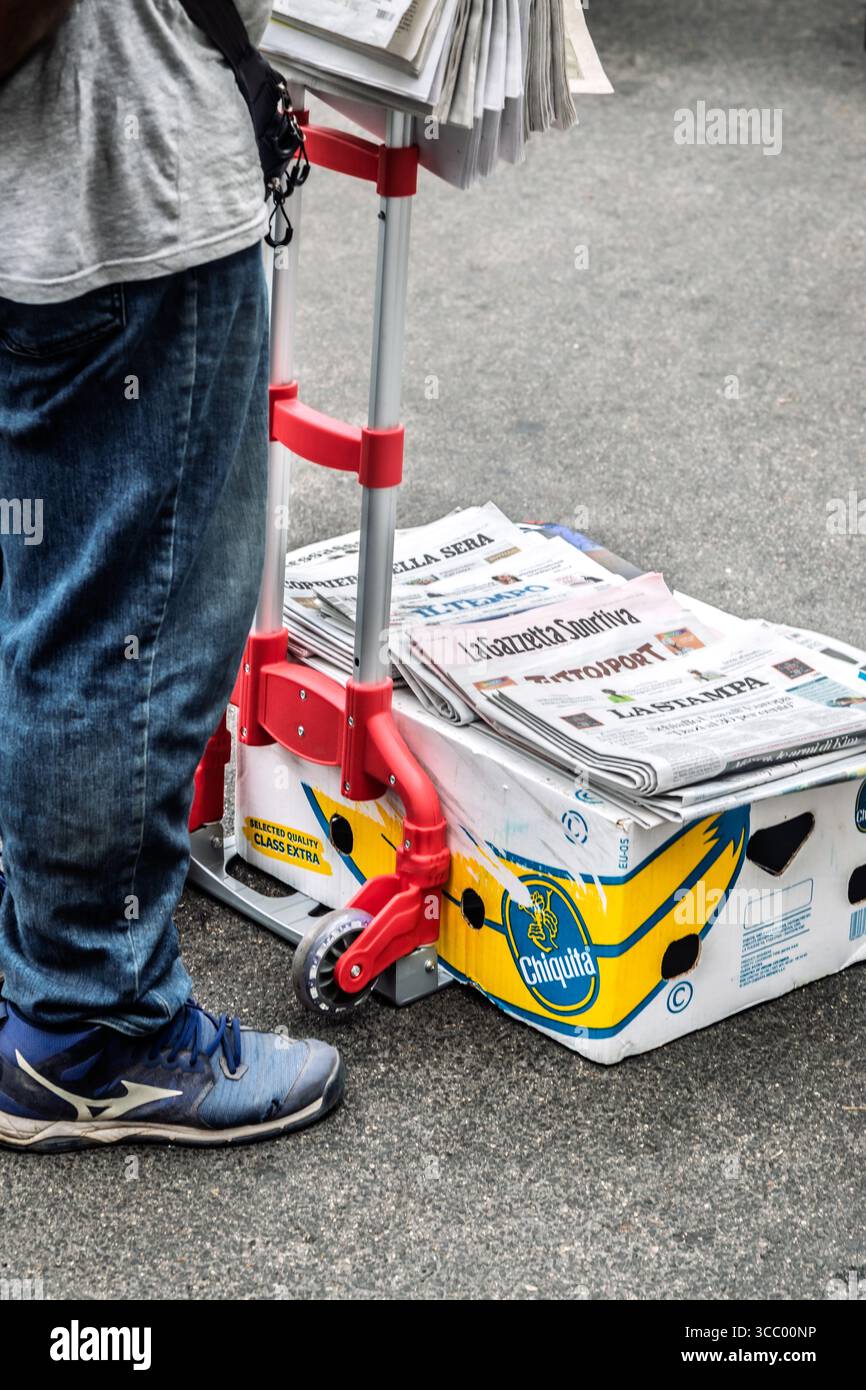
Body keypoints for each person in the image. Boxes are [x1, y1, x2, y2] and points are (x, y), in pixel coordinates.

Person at [0, 0, 344, 1150]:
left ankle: (49, 956)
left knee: (54, 606)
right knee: (126, 632)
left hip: (53, 207)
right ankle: (93, 1033)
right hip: (117, 203)